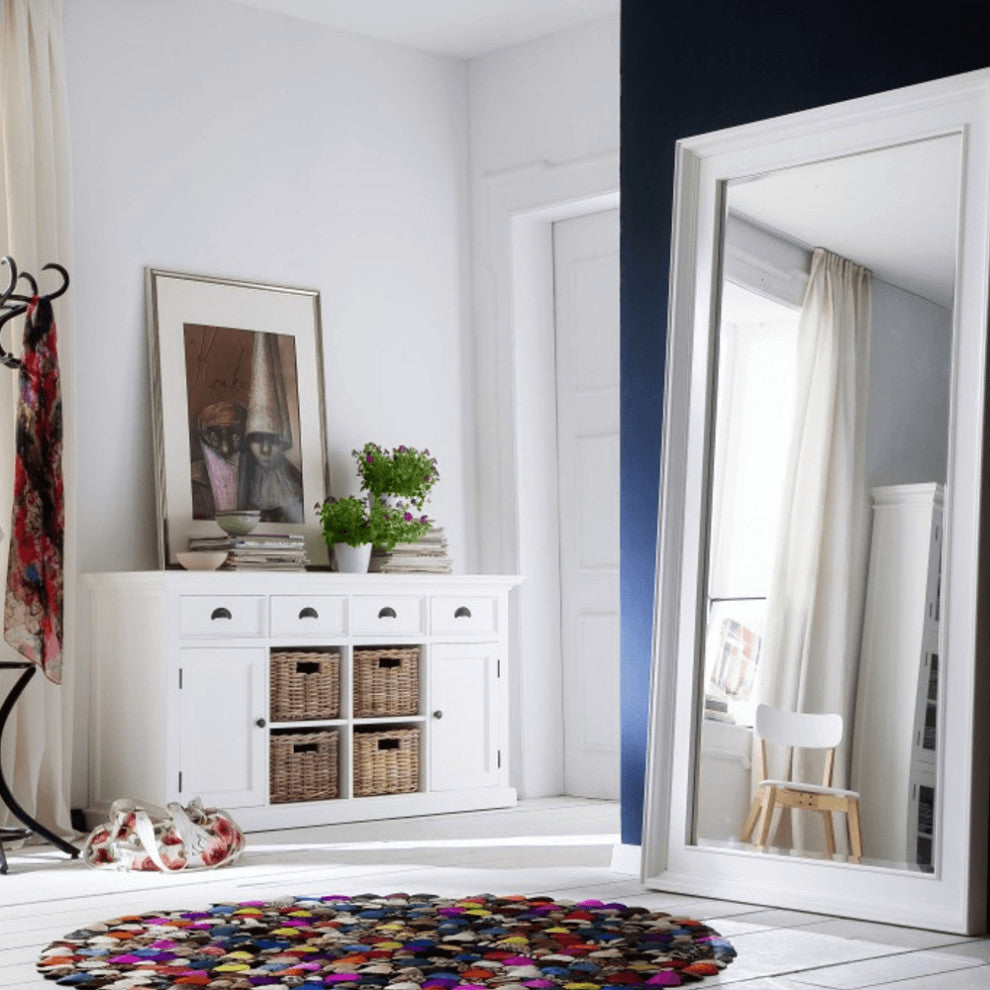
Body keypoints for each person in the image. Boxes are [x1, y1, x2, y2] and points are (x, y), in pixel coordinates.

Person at [236, 331, 304, 522]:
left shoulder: (294, 483)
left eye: (272, 441)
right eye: (258, 441)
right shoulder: (244, 479)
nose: (265, 450)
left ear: (282, 443)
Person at [191, 400, 246, 519]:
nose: (225, 447)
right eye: (215, 437)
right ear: (207, 437)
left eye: (234, 435)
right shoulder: (195, 474)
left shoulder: (258, 473)